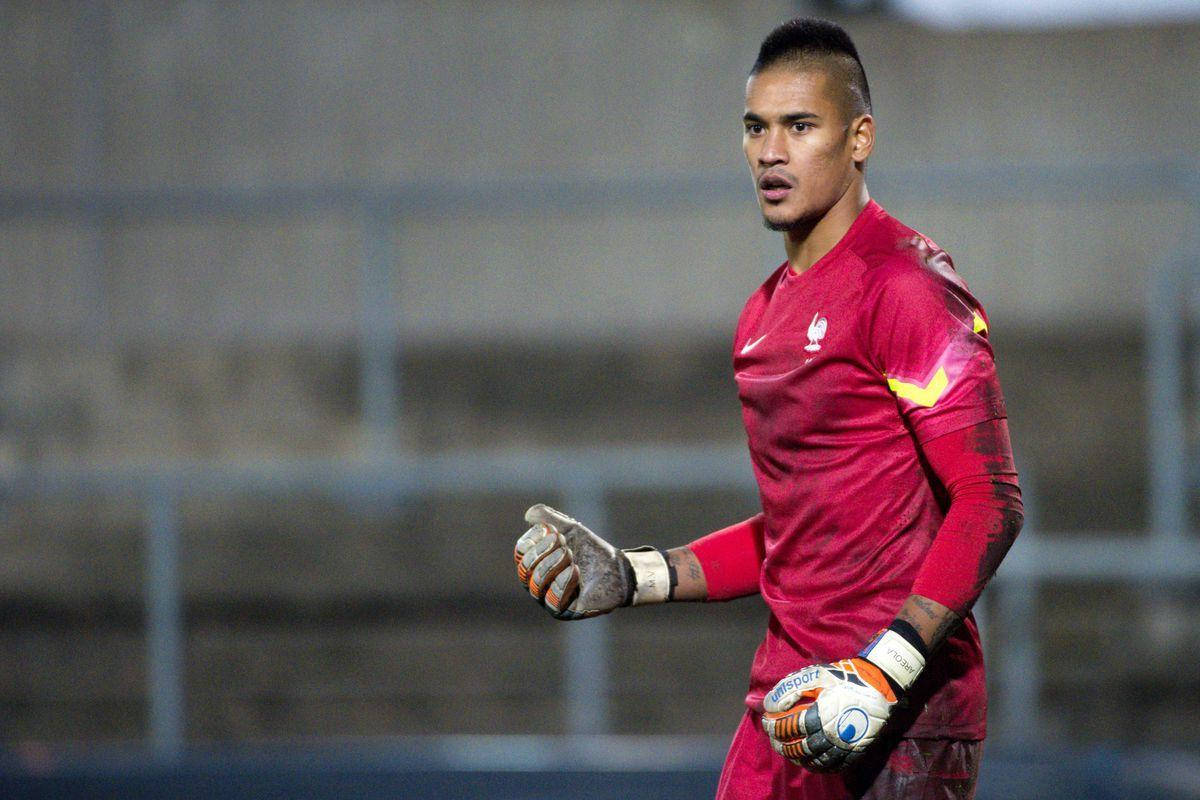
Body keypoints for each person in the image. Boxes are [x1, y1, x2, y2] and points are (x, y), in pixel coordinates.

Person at [513, 16, 1022, 800]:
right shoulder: (761, 318)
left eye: (799, 126)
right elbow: (802, 532)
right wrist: (637, 573)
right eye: (755, 128)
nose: (770, 152)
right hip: (784, 707)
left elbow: (990, 500)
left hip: (900, 716)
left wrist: (883, 671)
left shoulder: (907, 288)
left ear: (860, 139)